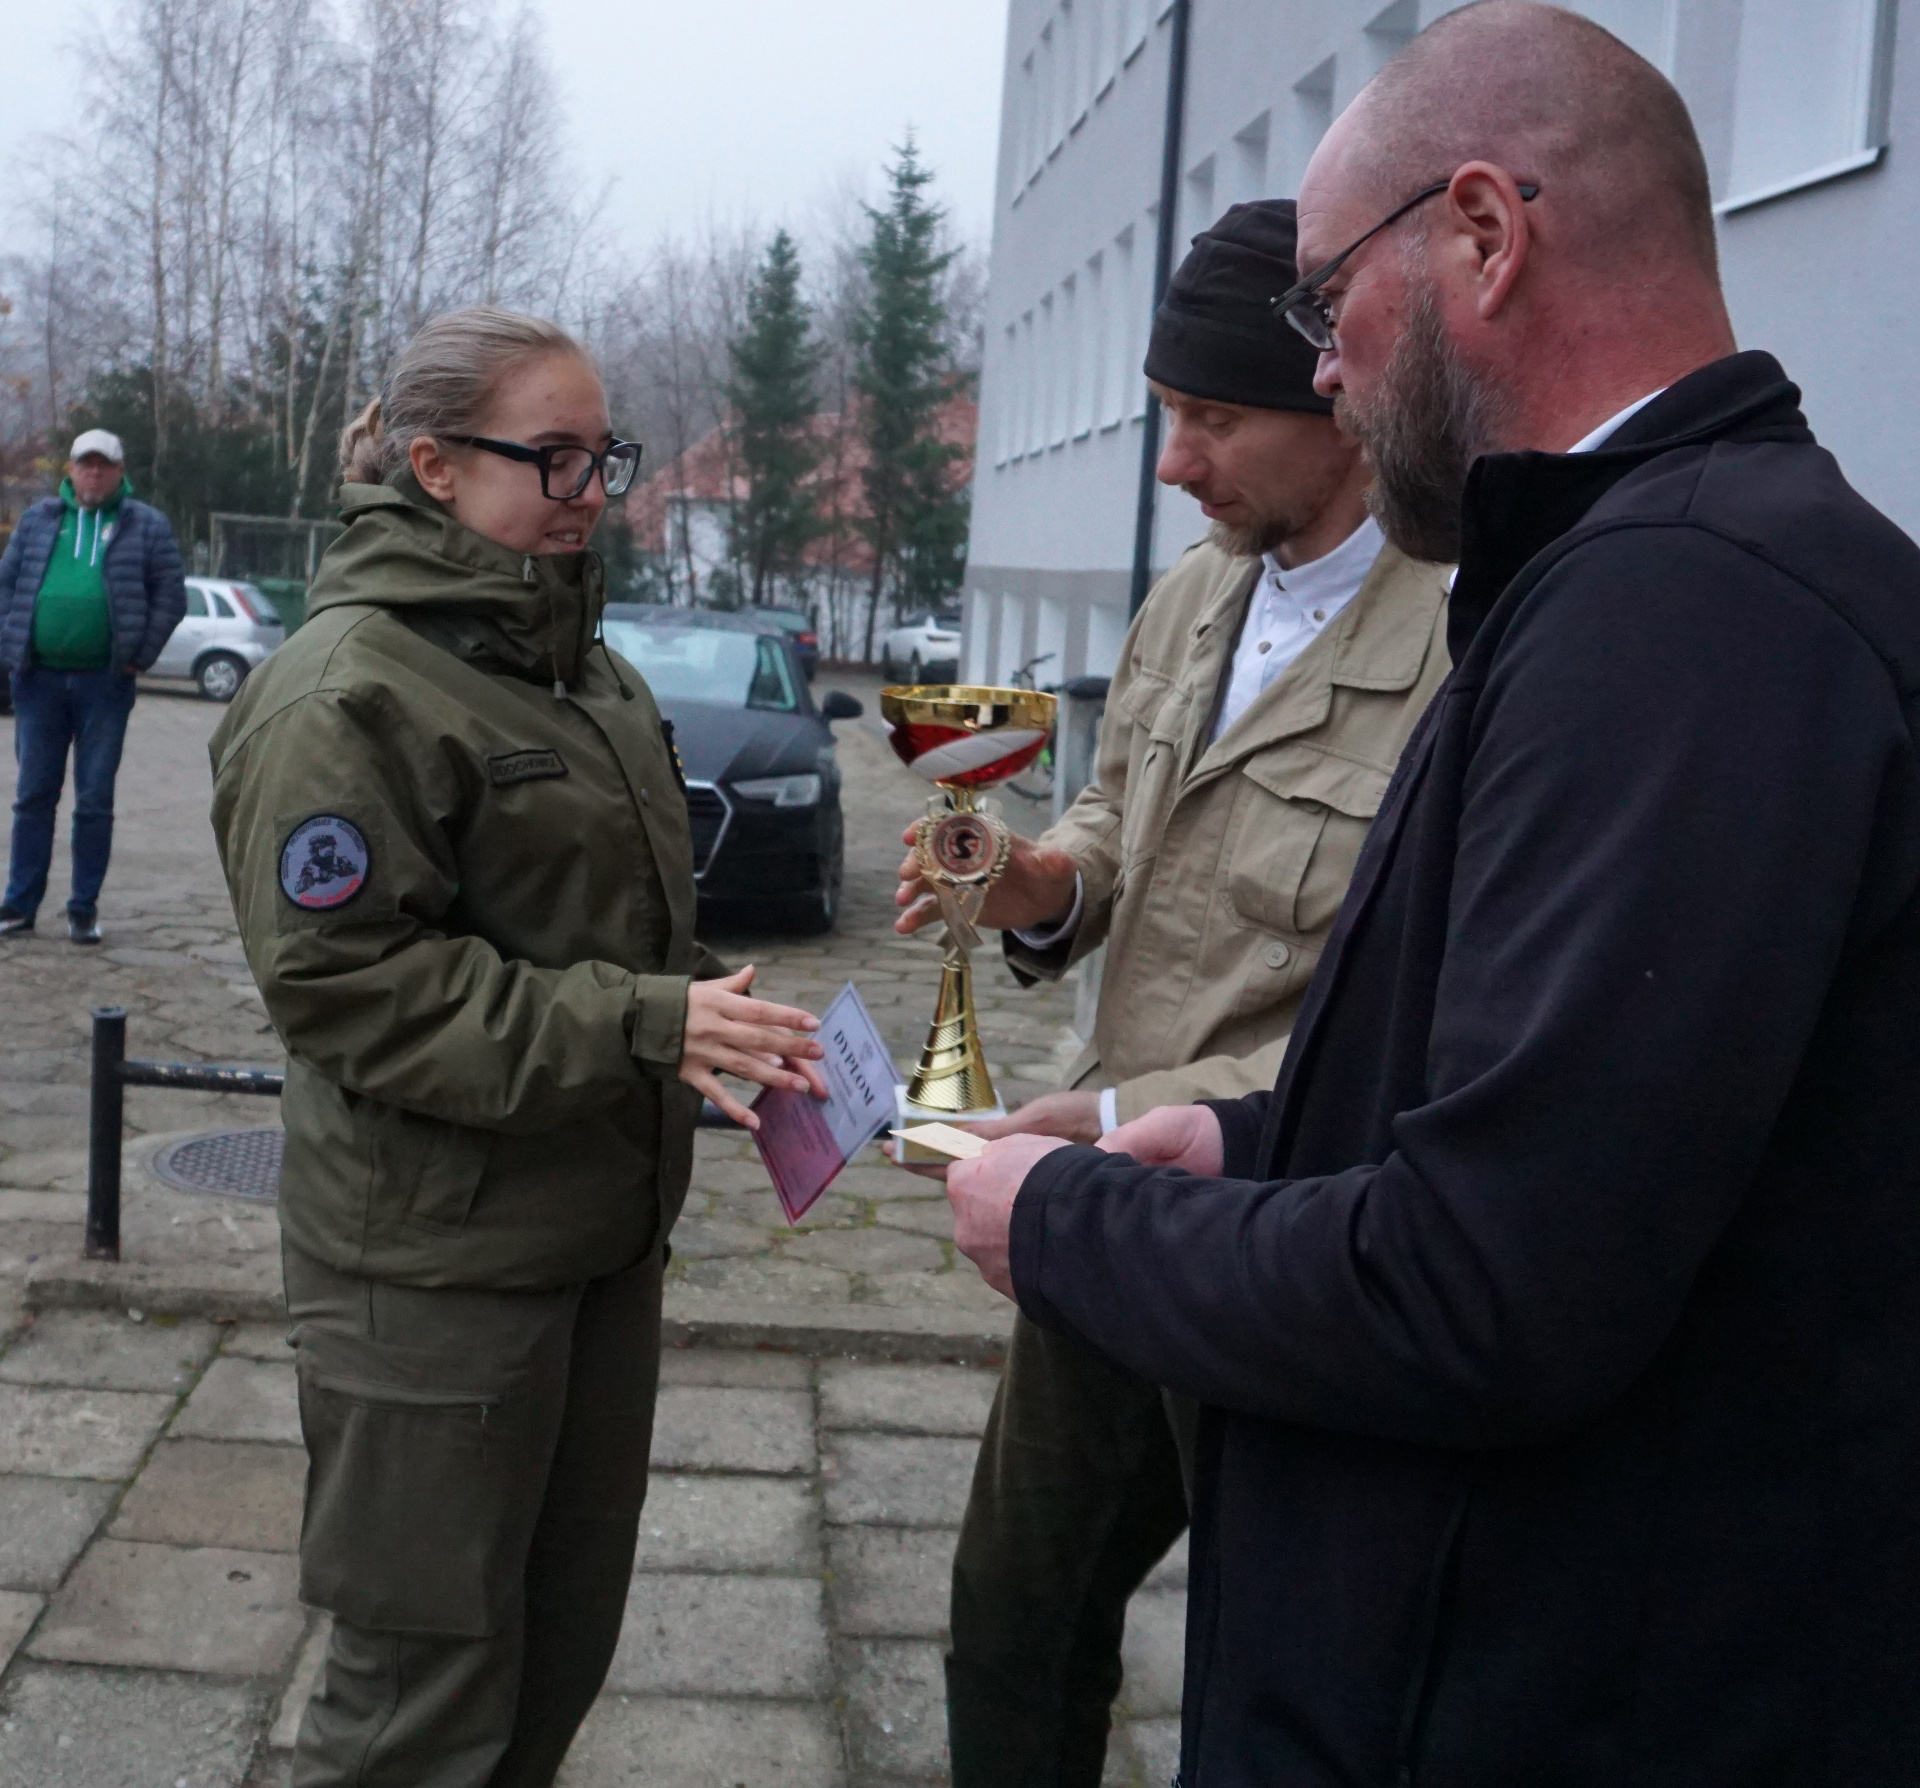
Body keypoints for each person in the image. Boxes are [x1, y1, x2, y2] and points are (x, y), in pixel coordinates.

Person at [943, 4, 1920, 1783]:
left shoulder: (1683, 619)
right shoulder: (1624, 578)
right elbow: (1563, 1113)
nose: (1325, 370)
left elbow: (1490, 1287)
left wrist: (1072, 1224)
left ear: (1481, 234)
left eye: (1327, 308)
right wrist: (1251, 1138)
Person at [209, 305, 826, 1788]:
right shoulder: (347, 690)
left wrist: (715, 1013)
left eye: (604, 455)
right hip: (434, 1274)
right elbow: (351, 986)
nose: (591, 490)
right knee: (417, 1702)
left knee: (557, 1650)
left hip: (596, 1243)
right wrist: (646, 1022)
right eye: (552, 456)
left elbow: (591, 927)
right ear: (433, 465)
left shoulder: (582, 668)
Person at [895, 201, 1452, 1786]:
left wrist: (1125, 1116)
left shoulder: (1467, 635)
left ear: (1339, 396)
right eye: (1163, 413)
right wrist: (1033, 884)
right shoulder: (1202, 590)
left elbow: (1410, 1018)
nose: (1174, 463)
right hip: (1105, 1219)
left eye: (1211, 418)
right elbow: (1114, 817)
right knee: (1013, 1619)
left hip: (1290, 1246)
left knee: (1286, 1675)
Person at [0, 429, 185, 942]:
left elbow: (171, 595)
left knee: (95, 800)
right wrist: (10, 643)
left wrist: (140, 654)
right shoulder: (38, 520)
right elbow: (6, 583)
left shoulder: (146, 525)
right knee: (33, 796)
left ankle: (83, 909)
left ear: (120, 471)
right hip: (37, 681)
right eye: (86, 464)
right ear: (71, 470)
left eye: (104, 465)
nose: (94, 473)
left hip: (105, 685)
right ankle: (19, 904)